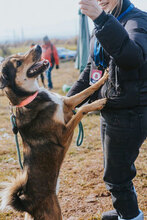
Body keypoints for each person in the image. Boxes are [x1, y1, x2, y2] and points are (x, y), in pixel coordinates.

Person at [67, 0, 147, 219]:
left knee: (116, 177)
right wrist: (67, 103)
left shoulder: (137, 20)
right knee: (115, 171)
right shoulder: (101, 25)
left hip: (130, 113)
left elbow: (133, 58)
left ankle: (130, 216)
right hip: (109, 109)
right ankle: (124, 210)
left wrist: (102, 19)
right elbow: (91, 71)